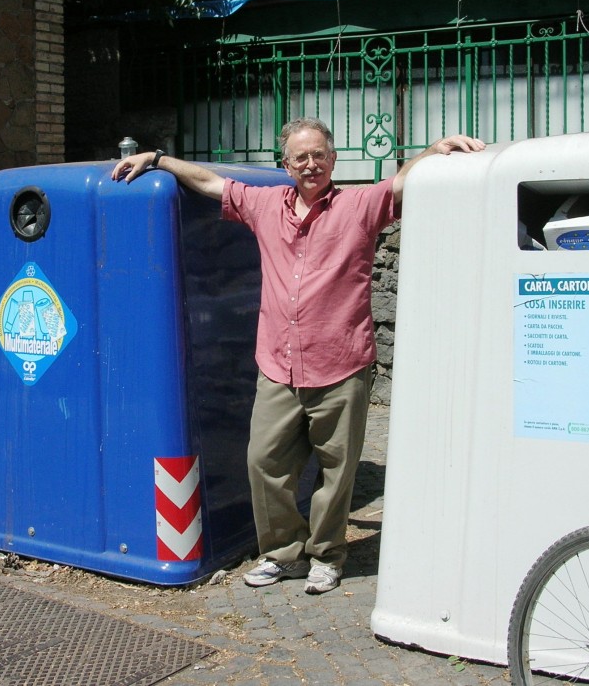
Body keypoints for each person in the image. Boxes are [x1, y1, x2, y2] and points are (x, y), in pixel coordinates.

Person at [112, 118, 485, 593]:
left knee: (337, 469)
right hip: (278, 365)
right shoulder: (264, 204)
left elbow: (402, 182)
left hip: (341, 363)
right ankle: (284, 554)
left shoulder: (359, 205)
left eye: (319, 155)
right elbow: (209, 182)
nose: (311, 164)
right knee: (263, 461)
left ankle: (327, 554)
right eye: (300, 157)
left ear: (332, 159)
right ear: (284, 164)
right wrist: (158, 159)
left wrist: (436, 149)